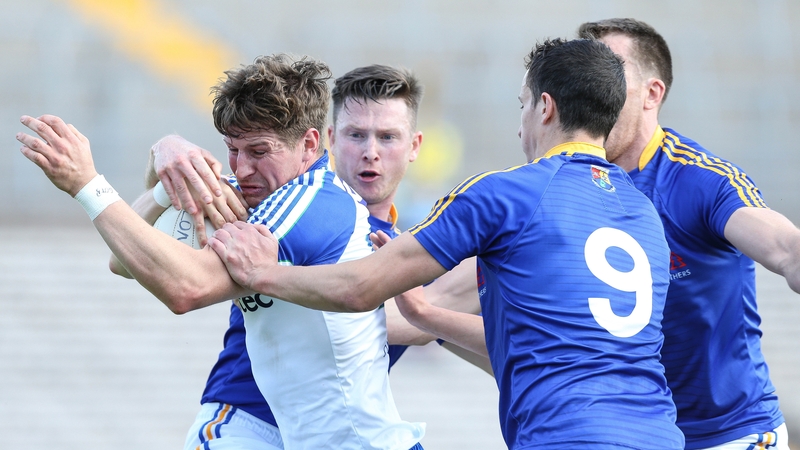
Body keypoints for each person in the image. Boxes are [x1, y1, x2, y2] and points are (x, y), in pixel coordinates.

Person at [207, 38, 686, 449]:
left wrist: (262, 273)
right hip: (661, 430)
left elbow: (359, 289)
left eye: (521, 104)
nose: (520, 124)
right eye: (356, 134)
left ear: (545, 107)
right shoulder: (644, 213)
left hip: (567, 433)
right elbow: (546, 344)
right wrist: (428, 316)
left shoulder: (507, 193)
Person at [16, 54, 425, 450]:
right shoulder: (266, 193)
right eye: (233, 149)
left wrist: (88, 186)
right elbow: (124, 260)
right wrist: (167, 176)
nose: (242, 167)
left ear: (310, 143)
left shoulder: (314, 202)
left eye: (259, 152)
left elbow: (186, 288)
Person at [577, 18, 797, 449]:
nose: (593, 89)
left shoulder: (700, 179)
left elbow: (786, 249)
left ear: (652, 94)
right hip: (637, 438)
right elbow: (445, 297)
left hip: (732, 436)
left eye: (609, 73)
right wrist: (420, 314)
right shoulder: (566, 188)